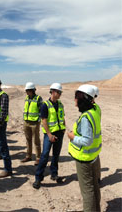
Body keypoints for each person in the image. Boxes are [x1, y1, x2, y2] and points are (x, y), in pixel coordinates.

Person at [67, 84, 102, 212]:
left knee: (87, 191)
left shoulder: (86, 117)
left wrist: (72, 137)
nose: (74, 100)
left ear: (82, 99)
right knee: (94, 187)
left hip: (85, 158)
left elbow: (87, 140)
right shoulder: (95, 111)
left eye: (76, 97)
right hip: (92, 156)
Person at [33, 83, 66, 189]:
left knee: (56, 155)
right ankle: (38, 178)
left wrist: (64, 128)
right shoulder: (45, 105)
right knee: (45, 155)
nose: (60, 94)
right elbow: (44, 121)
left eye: (60, 92)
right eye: (58, 92)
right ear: (53, 92)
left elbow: (62, 117)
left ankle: (54, 174)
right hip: (49, 134)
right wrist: (49, 134)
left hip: (59, 133)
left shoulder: (60, 104)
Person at [22, 82, 43, 165]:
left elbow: (41, 110)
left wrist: (38, 120)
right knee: (28, 140)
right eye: (26, 91)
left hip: (34, 123)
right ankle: (28, 156)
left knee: (36, 141)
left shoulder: (38, 98)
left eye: (28, 90)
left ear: (33, 90)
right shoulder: (27, 98)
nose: (27, 92)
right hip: (26, 122)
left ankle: (38, 157)